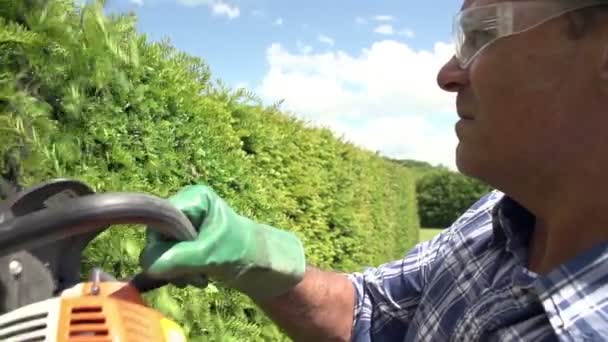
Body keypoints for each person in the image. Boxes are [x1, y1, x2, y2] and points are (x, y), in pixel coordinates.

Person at [139, 0, 608, 340]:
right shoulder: (494, 218)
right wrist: (256, 256)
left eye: (482, 33)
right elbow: (371, 314)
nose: (447, 73)